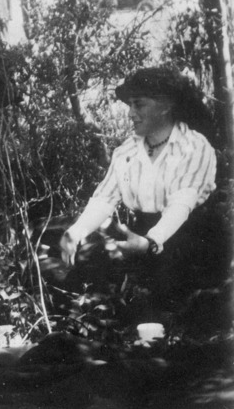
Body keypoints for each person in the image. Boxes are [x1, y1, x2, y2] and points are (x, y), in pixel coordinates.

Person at [59, 66, 226, 305]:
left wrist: (151, 243)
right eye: (130, 105)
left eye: (139, 104)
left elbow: (181, 206)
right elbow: (104, 199)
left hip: (194, 244)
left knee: (181, 312)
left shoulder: (195, 147)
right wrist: (75, 232)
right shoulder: (126, 152)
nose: (130, 113)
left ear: (166, 106)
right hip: (141, 239)